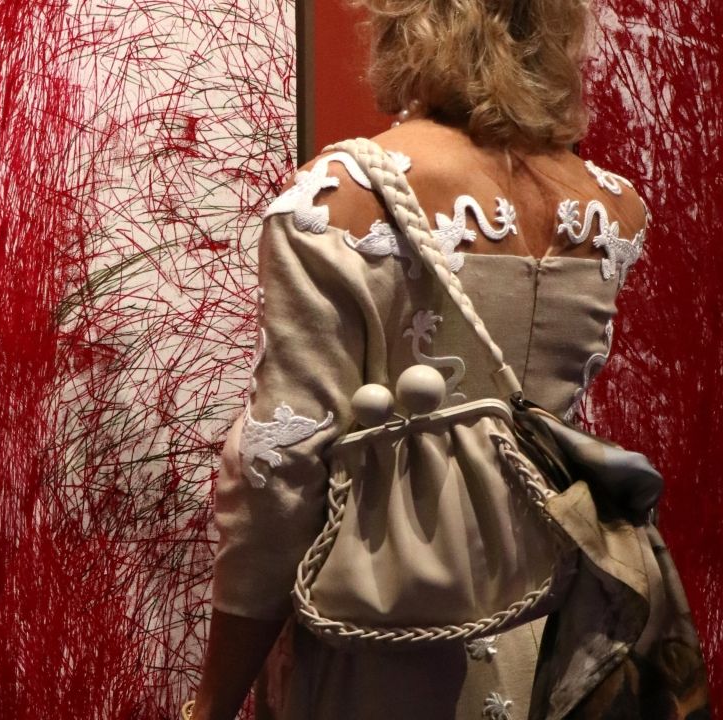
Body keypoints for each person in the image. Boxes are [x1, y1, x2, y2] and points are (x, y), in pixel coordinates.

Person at [185, 1, 687, 718]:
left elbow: (278, 470)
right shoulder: (611, 208)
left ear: (406, 21)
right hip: (554, 631)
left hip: (382, 635)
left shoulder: (337, 198)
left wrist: (214, 701)